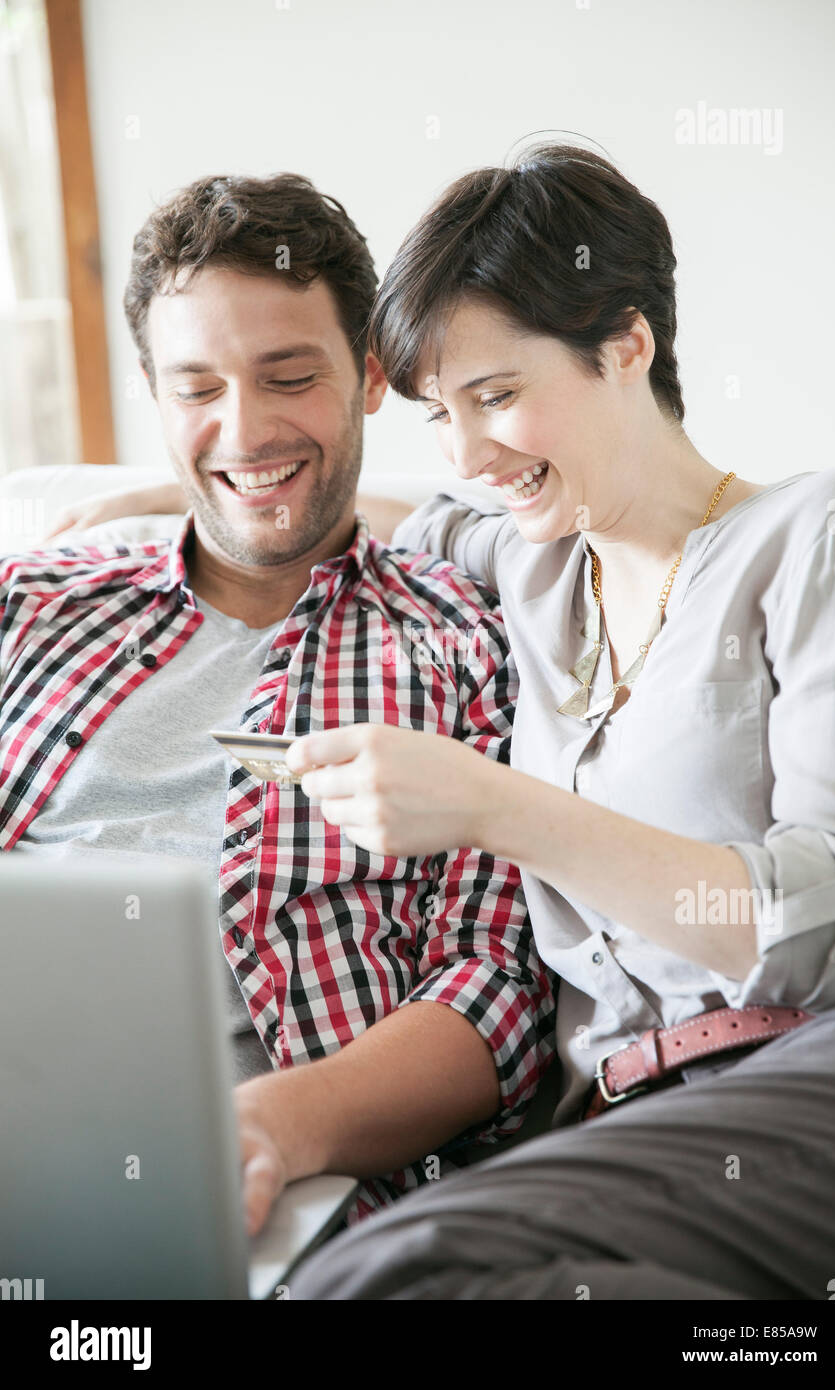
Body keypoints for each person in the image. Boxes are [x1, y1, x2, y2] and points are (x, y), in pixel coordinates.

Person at [52, 145, 835, 1301]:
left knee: (397, 1265)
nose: (471, 454)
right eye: (441, 411)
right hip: (616, 1121)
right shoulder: (528, 560)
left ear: (626, 344)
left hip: (817, 1062)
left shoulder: (820, 535)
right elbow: (367, 511)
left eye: (496, 396)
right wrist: (175, 488)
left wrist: (495, 807)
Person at [0, 171, 555, 1237]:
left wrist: (268, 1127)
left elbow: (496, 991)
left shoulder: (466, 638)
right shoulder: (33, 605)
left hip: (290, 1183)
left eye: (289, 375)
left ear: (371, 377)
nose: (244, 430)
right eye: (197, 388)